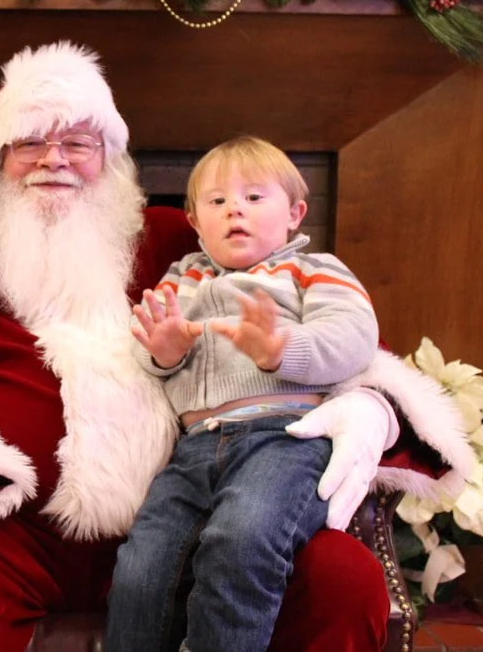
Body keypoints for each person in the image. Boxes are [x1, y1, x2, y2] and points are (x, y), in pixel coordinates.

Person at [0, 41, 474, 652]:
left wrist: (370, 404)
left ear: (110, 158)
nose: (55, 160)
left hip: (197, 516)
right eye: (30, 143)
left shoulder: (172, 243)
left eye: (78, 141)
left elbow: (317, 314)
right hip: (11, 534)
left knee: (340, 576)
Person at [106, 136, 383, 652]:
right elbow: (148, 351)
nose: (235, 208)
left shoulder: (313, 270)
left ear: (295, 213)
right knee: (142, 565)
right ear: (194, 221)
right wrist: (164, 351)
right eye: (217, 201)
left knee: (241, 541)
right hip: (193, 450)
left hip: (284, 439)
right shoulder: (182, 279)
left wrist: (282, 349)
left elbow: (354, 339)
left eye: (255, 197)